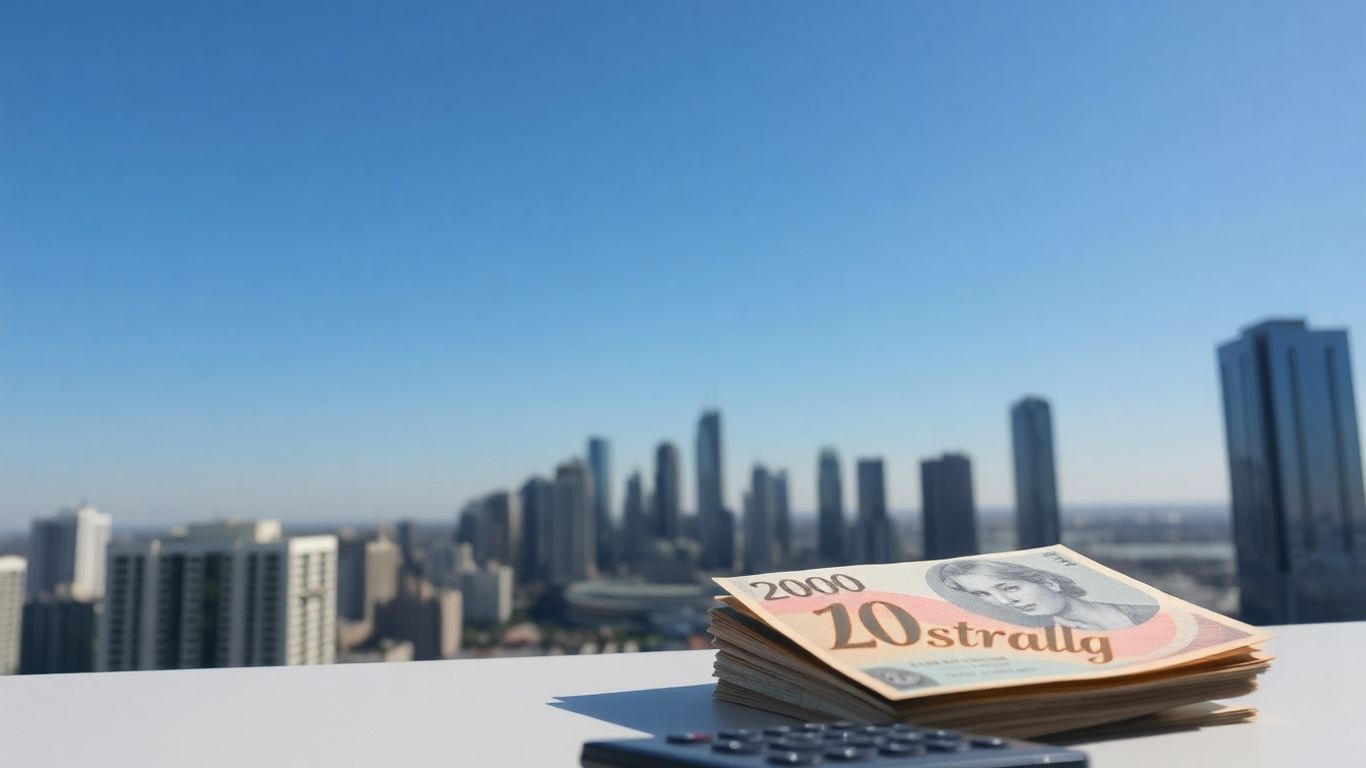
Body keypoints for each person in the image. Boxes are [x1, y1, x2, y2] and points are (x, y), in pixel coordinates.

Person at [937, 559, 1156, 630]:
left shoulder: (1147, 610)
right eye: (983, 594)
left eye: (1009, 588)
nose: (1004, 602)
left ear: (1050, 582)